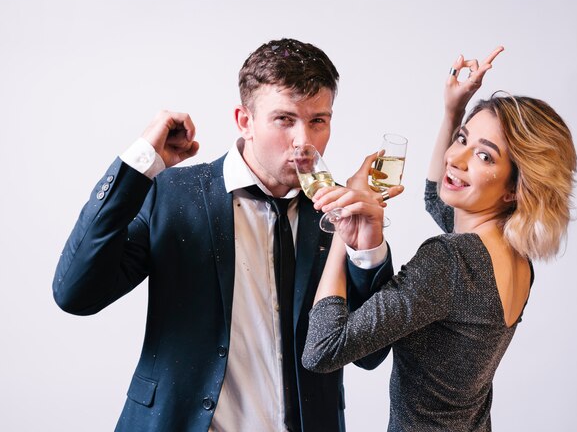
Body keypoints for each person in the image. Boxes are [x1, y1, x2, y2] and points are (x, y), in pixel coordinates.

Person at [52, 38, 396, 432]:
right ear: (244, 121)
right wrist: (139, 164)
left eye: (318, 120)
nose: (304, 141)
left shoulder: (340, 213)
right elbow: (75, 293)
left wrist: (367, 248)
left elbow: (370, 356)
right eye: (284, 119)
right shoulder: (171, 194)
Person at [302, 47, 577, 431]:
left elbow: (323, 349)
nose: (456, 158)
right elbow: (436, 195)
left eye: (484, 157)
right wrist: (453, 110)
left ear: (515, 188)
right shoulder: (515, 256)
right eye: (462, 139)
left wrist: (340, 223)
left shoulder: (449, 260)